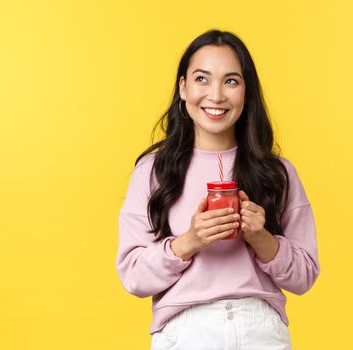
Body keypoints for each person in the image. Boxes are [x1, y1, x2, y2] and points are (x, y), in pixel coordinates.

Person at [116, 29, 321, 350]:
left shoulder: (277, 173)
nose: (216, 95)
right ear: (183, 87)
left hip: (261, 329)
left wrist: (262, 239)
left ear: (246, 92)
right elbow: (134, 278)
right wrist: (188, 242)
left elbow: (305, 277)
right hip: (185, 331)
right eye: (202, 79)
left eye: (231, 81)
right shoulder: (153, 171)